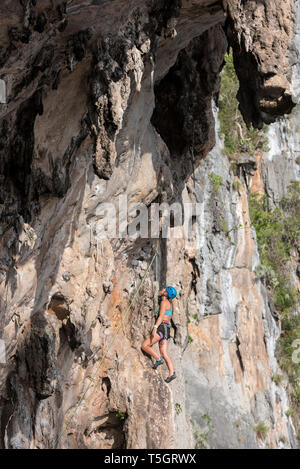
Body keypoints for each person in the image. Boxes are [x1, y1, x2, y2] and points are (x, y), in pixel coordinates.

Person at [141, 285, 177, 383]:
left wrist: (155, 327)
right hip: (167, 330)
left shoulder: (164, 302)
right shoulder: (169, 304)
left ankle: (157, 359)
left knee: (145, 345)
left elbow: (161, 316)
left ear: (166, 293)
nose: (162, 289)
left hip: (161, 327)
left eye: (165, 289)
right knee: (164, 353)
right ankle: (171, 373)